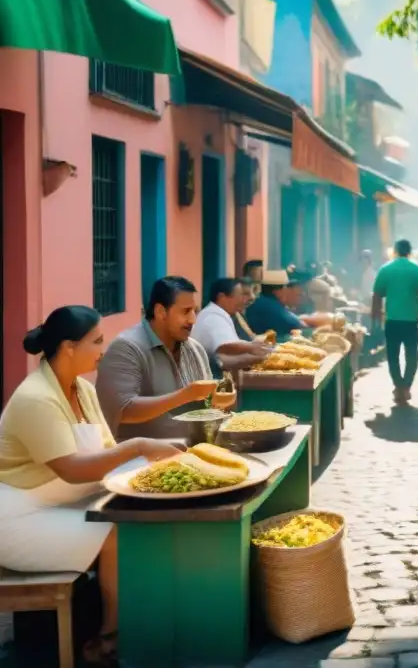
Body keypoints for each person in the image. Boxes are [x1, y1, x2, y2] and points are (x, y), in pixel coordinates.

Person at [0, 307, 184, 662]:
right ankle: (109, 636)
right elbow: (71, 469)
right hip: (18, 521)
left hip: (63, 505)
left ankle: (140, 621)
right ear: (69, 347)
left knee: (138, 515)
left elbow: (105, 452)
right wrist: (141, 446)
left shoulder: (82, 388)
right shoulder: (35, 398)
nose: (105, 346)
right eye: (97, 340)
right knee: (116, 531)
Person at [96, 276, 215, 440]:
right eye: (186, 311)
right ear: (161, 312)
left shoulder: (194, 348)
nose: (192, 319)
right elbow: (122, 410)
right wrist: (185, 396)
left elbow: (206, 404)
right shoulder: (126, 348)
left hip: (195, 455)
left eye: (195, 311)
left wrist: (218, 399)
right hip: (141, 461)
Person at [373, 239, 418, 405]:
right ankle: (406, 386)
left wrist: (375, 315)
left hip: (392, 320)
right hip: (411, 321)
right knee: (412, 355)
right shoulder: (417, 270)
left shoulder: (386, 269)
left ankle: (398, 386)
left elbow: (377, 294)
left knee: (392, 355)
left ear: (395, 251)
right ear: (410, 251)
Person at [192, 277, 271, 375]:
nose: (244, 300)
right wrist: (253, 349)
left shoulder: (224, 314)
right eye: (240, 295)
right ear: (222, 297)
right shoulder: (213, 316)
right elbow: (225, 346)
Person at [245, 270, 309, 336]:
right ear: (278, 290)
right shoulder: (271, 305)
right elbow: (296, 324)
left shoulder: (259, 300)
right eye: (285, 288)